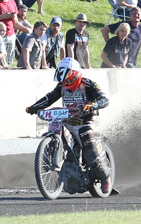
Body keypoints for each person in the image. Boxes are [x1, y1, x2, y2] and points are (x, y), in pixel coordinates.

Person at [25, 57, 111, 194]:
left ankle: (105, 177)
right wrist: (34, 107)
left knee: (91, 154)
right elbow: (49, 98)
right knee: (57, 137)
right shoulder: (61, 86)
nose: (66, 83)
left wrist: (92, 105)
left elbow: (105, 99)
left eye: (69, 80)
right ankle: (60, 171)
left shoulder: (89, 84)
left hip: (83, 123)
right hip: (66, 121)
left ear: (76, 75)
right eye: (64, 80)